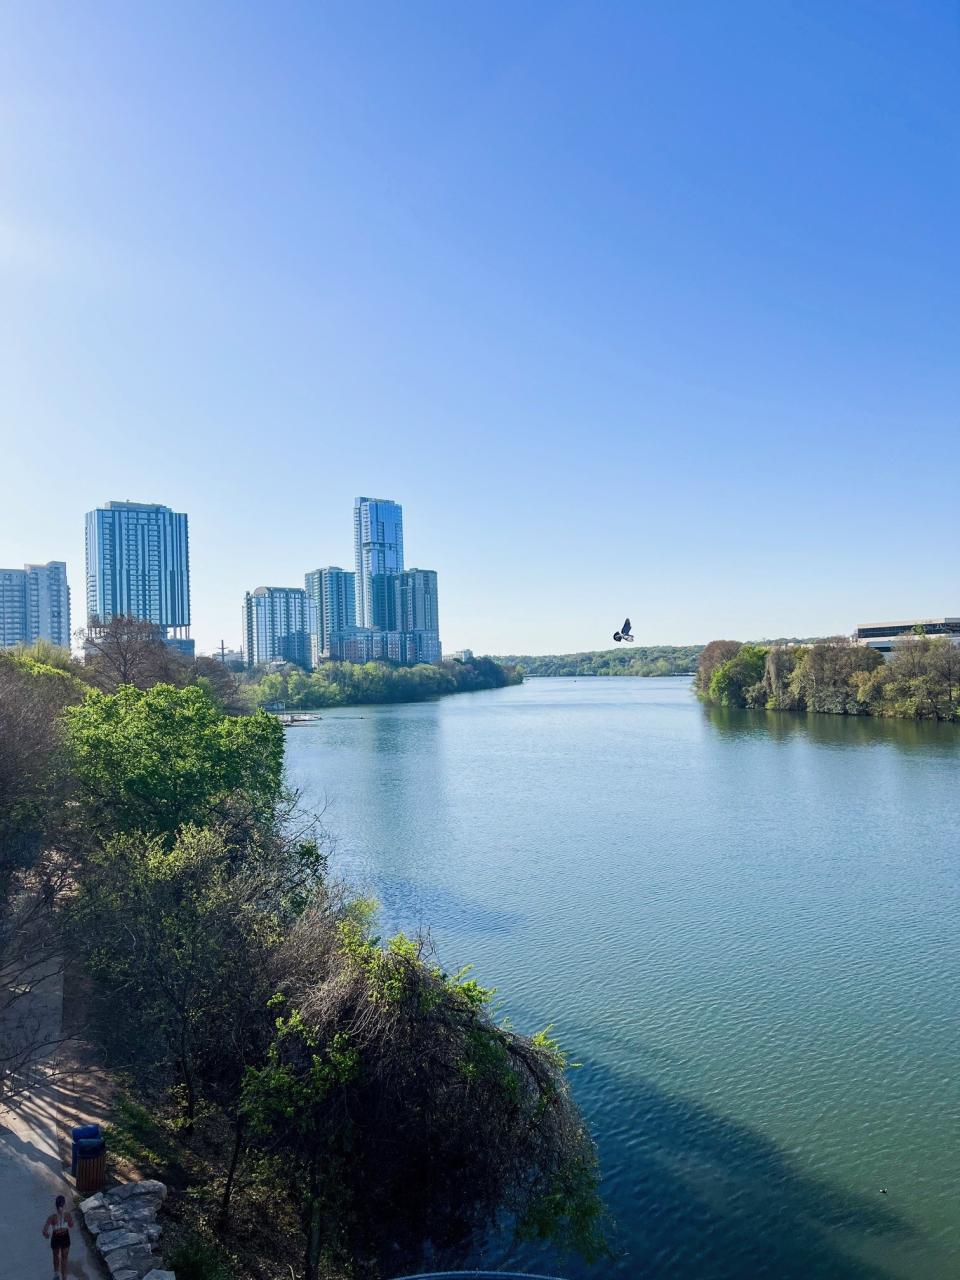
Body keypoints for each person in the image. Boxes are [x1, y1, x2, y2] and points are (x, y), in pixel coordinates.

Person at [42, 1194, 74, 1280]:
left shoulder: (52, 1217)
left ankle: (56, 1275)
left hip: (56, 1237)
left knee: (56, 1256)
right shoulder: (67, 1215)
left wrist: (46, 1234)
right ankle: (64, 1277)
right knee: (64, 1258)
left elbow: (45, 1230)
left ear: (56, 1205)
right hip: (65, 1237)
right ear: (64, 1205)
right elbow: (71, 1225)